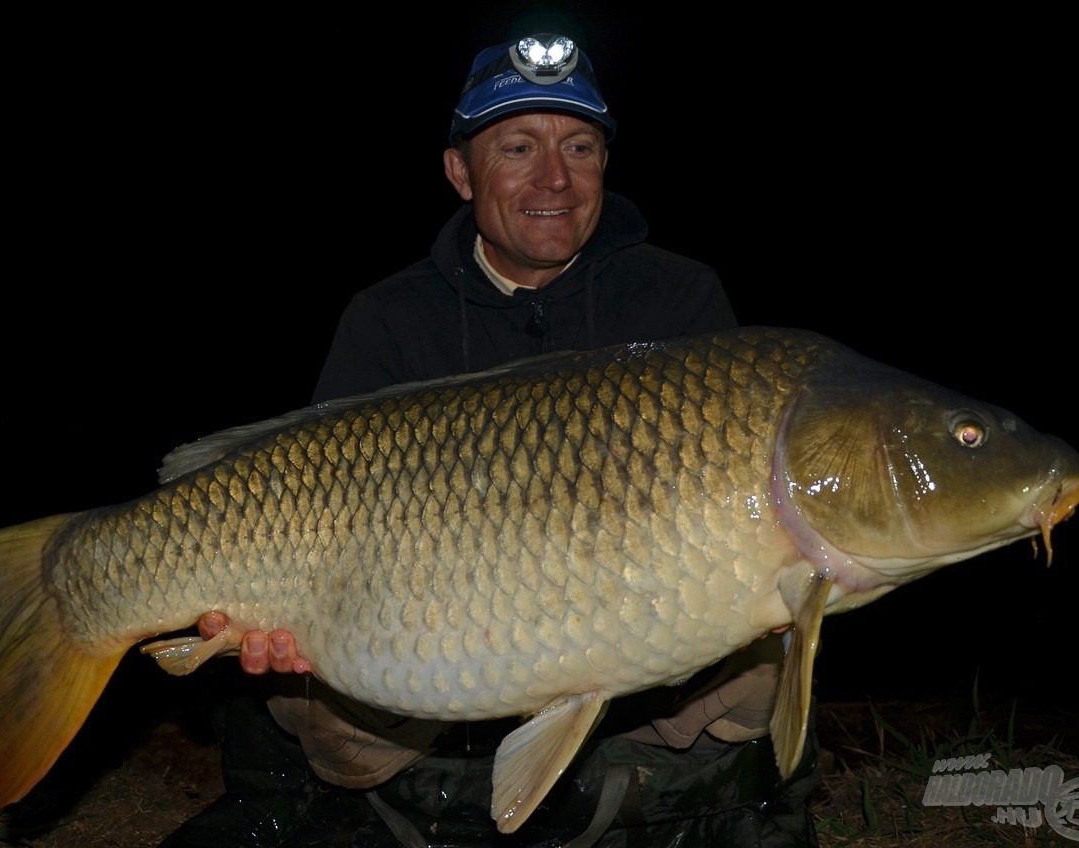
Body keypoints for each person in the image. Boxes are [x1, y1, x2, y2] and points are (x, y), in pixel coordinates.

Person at [160, 32, 821, 848]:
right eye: (519, 147)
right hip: (432, 637)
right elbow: (309, 507)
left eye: (579, 146)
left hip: (631, 625)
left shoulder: (679, 301)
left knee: (773, 648)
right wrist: (278, 622)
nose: (556, 178)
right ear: (460, 172)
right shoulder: (390, 317)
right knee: (306, 689)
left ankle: (625, 783)